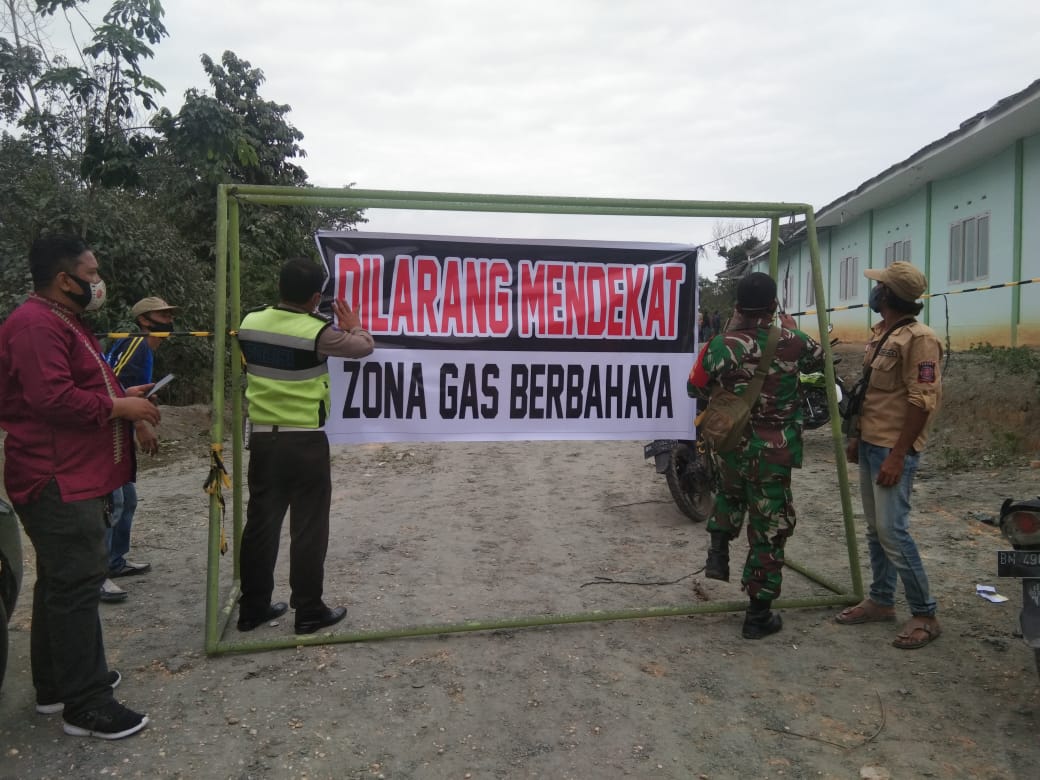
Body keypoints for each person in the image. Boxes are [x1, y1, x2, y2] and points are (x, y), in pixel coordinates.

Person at [0, 234, 160, 739]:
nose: (98, 282)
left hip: (72, 472)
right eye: (91, 274)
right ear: (63, 279)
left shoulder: (65, 321)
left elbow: (83, 383)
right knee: (77, 582)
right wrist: (118, 408)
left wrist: (123, 395)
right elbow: (51, 399)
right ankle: (87, 704)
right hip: (55, 476)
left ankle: (56, 686)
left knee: (61, 581)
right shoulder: (34, 325)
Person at [236, 257, 375, 634]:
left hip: (264, 440)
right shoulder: (318, 332)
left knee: (261, 526)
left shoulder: (250, 323)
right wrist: (355, 325)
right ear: (316, 297)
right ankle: (309, 610)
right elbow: (363, 347)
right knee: (309, 528)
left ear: (279, 286)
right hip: (305, 444)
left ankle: (252, 608)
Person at [687, 272, 823, 639]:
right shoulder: (794, 341)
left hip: (731, 445)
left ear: (737, 307)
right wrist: (792, 330)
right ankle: (758, 615)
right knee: (769, 527)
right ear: (774, 305)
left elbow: (693, 386)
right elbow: (820, 365)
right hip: (774, 453)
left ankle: (718, 549)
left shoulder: (720, 344)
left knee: (731, 495)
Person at [834, 261, 943, 649]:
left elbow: (922, 401)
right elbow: (873, 395)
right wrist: (856, 437)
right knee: (875, 531)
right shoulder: (884, 333)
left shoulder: (920, 339)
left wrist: (898, 455)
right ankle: (881, 600)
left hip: (892, 450)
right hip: (870, 444)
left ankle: (925, 614)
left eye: (879, 286)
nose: (874, 290)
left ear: (887, 296)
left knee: (893, 532)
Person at [99, 297, 178, 603]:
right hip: (108, 430)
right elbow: (109, 384)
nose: (169, 320)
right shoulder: (136, 344)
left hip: (120, 426)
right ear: (145, 320)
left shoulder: (146, 350)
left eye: (170, 314)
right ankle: (97, 575)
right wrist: (140, 424)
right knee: (113, 502)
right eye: (162, 314)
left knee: (127, 499)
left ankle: (115, 561)